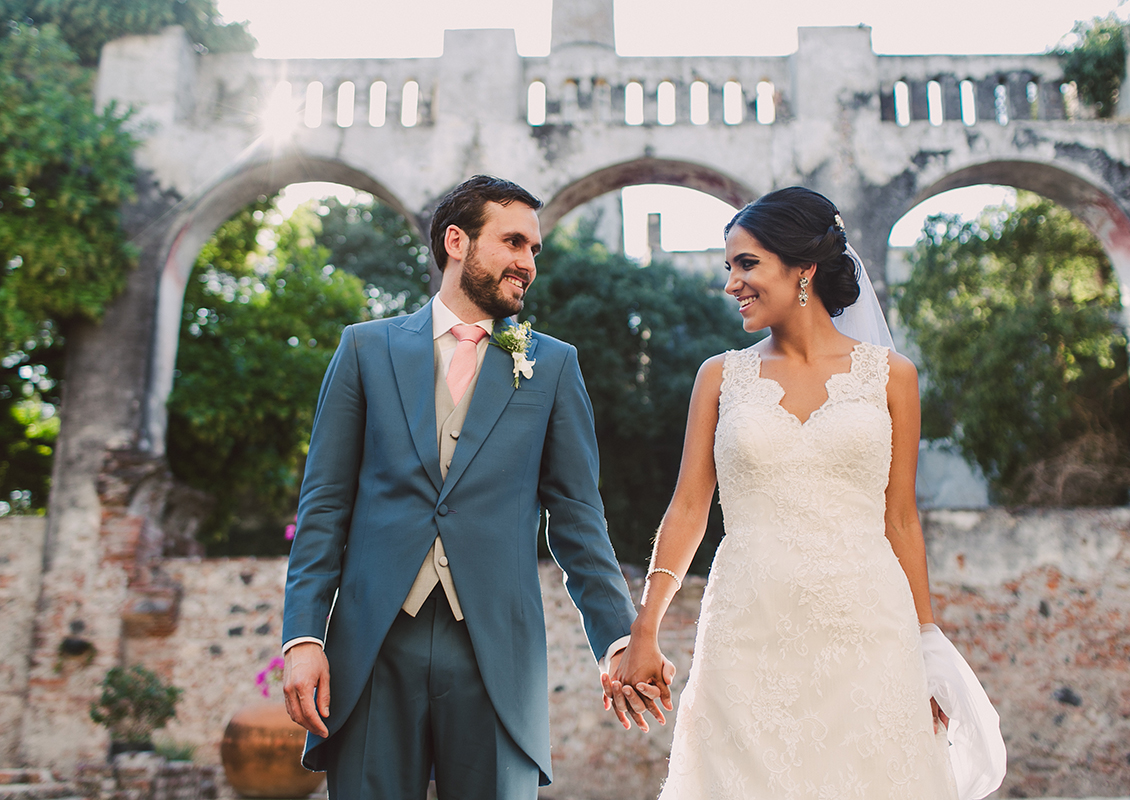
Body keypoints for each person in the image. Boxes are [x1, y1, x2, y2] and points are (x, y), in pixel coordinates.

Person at [280, 175, 664, 800]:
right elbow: (323, 507)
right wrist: (302, 638)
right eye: (514, 242)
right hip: (373, 649)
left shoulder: (554, 365)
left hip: (496, 654)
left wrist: (619, 637)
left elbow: (576, 519)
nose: (528, 263)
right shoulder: (364, 350)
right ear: (456, 242)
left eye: (535, 249)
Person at [608, 186, 965, 798]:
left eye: (747, 264)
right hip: (748, 626)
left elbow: (901, 520)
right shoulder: (720, 377)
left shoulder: (892, 376)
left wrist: (929, 647)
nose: (731, 284)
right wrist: (645, 629)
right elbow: (689, 507)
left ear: (803, 268)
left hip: (868, 629)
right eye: (729, 267)